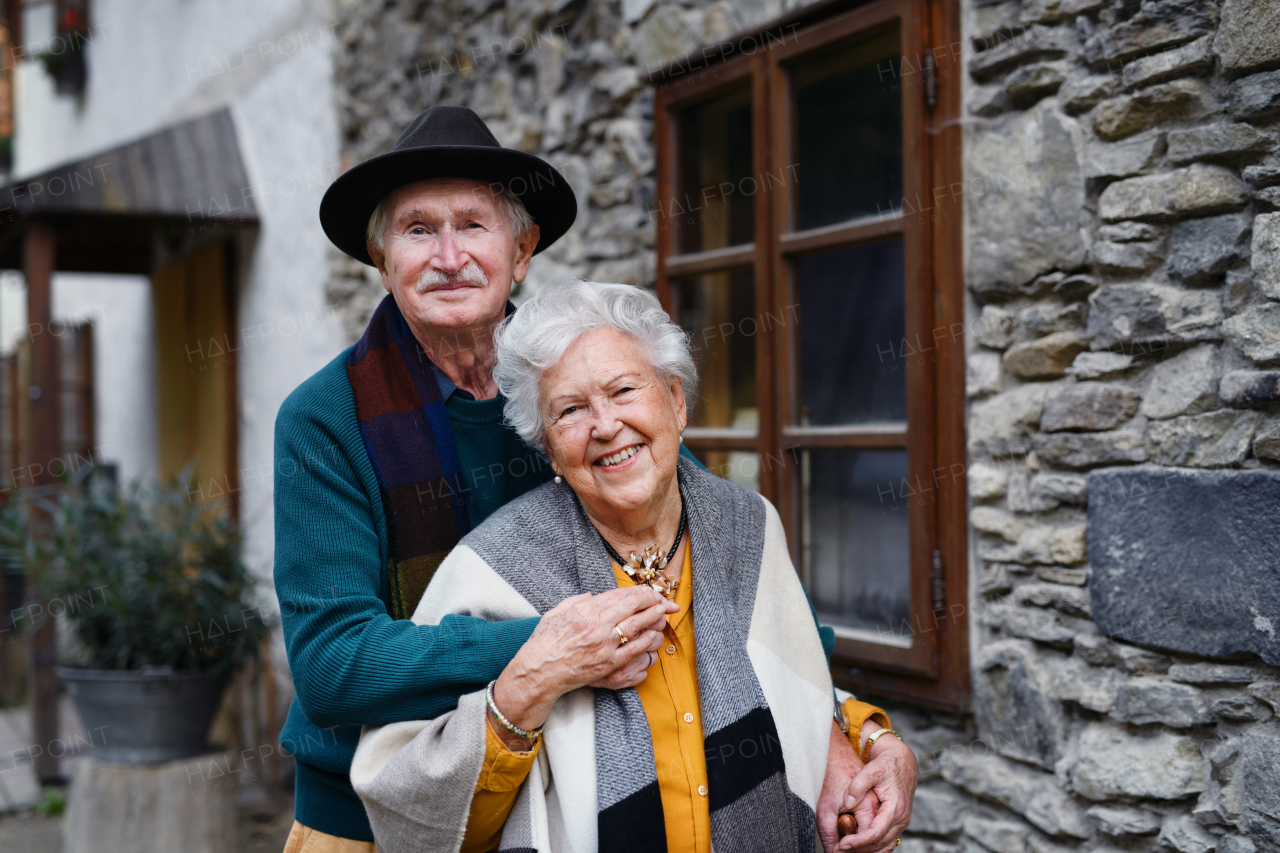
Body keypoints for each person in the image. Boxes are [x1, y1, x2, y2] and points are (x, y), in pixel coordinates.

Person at [276, 104, 914, 852]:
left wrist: (841, 724)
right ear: (383, 260)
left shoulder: (566, 379)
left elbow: (728, 554)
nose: (449, 255)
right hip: (372, 812)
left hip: (566, 797)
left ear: (521, 249)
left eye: (474, 225)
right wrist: (545, 648)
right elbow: (330, 666)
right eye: (419, 230)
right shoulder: (326, 419)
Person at [351, 281, 918, 853]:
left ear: (675, 401)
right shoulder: (492, 567)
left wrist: (875, 742)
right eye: (570, 410)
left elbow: (795, 683)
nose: (604, 425)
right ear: (547, 445)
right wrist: (532, 684)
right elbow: (429, 819)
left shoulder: (746, 525)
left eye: (624, 390)